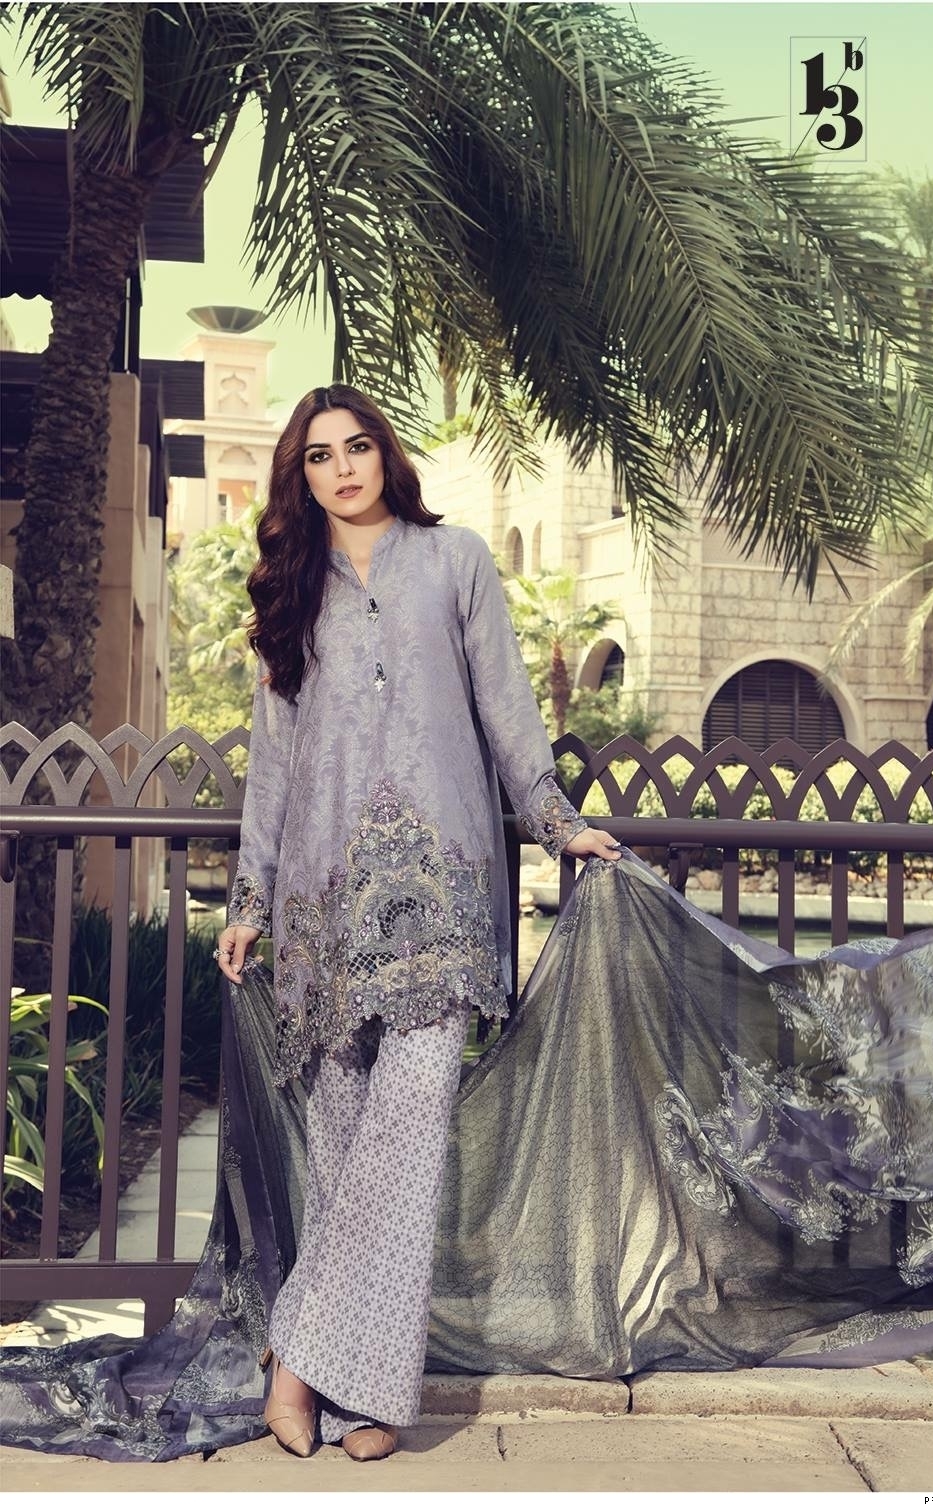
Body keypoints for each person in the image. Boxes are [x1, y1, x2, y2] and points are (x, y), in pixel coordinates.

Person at [213, 384, 622, 1461]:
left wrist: (555, 821)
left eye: (356, 447)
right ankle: (365, 1397)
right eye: (318, 457)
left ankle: (296, 1363)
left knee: (408, 1125)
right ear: (299, 478)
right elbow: (275, 764)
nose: (342, 469)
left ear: (384, 454)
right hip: (321, 898)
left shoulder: (456, 561)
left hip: (441, 887)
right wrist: (251, 897)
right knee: (345, 1142)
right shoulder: (293, 589)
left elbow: (506, 708)